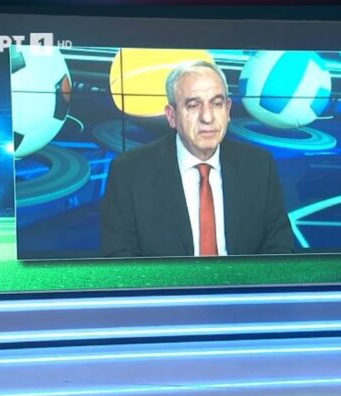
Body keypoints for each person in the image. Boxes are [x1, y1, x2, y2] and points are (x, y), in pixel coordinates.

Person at [101, 60, 295, 257]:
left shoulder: (259, 166)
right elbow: (119, 258)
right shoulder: (130, 172)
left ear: (228, 110)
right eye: (193, 105)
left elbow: (280, 247)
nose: (207, 118)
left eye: (217, 104)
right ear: (172, 116)